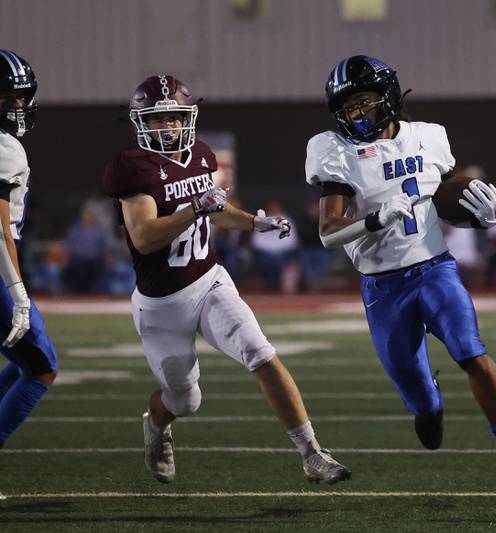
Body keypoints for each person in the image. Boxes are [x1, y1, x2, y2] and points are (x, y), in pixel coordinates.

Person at [305, 55, 496, 501]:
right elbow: (327, 233)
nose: (357, 112)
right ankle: (429, 400)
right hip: (383, 288)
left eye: (363, 101)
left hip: (435, 270)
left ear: (389, 97)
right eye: (349, 106)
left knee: (472, 353)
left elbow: (451, 202)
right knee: (424, 409)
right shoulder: (336, 152)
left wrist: (482, 217)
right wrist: (377, 220)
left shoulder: (429, 138)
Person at [102, 74, 350, 485]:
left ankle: (312, 453)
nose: (168, 127)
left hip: (210, 281)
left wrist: (255, 222)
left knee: (262, 354)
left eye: (174, 118)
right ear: (140, 122)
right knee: (184, 400)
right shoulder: (132, 167)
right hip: (161, 303)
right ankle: (157, 425)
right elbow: (144, 238)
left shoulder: (200, 154)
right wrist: (194, 209)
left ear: (187, 119)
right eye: (158, 119)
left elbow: (215, 209)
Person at [0, 50, 59, 466]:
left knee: (29, 361)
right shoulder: (7, 149)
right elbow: (0, 229)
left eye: (23, 97)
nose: (20, 105)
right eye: (10, 97)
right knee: (41, 366)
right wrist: (18, 292)